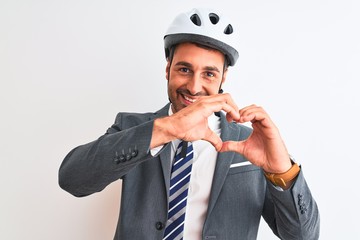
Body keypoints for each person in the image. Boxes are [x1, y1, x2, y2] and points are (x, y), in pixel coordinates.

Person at [59, 8, 320, 240]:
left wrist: (282, 171)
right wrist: (166, 128)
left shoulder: (249, 142)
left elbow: (303, 237)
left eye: (209, 73)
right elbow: (73, 179)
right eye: (184, 69)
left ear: (223, 78)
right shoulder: (133, 127)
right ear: (167, 68)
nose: (194, 87)